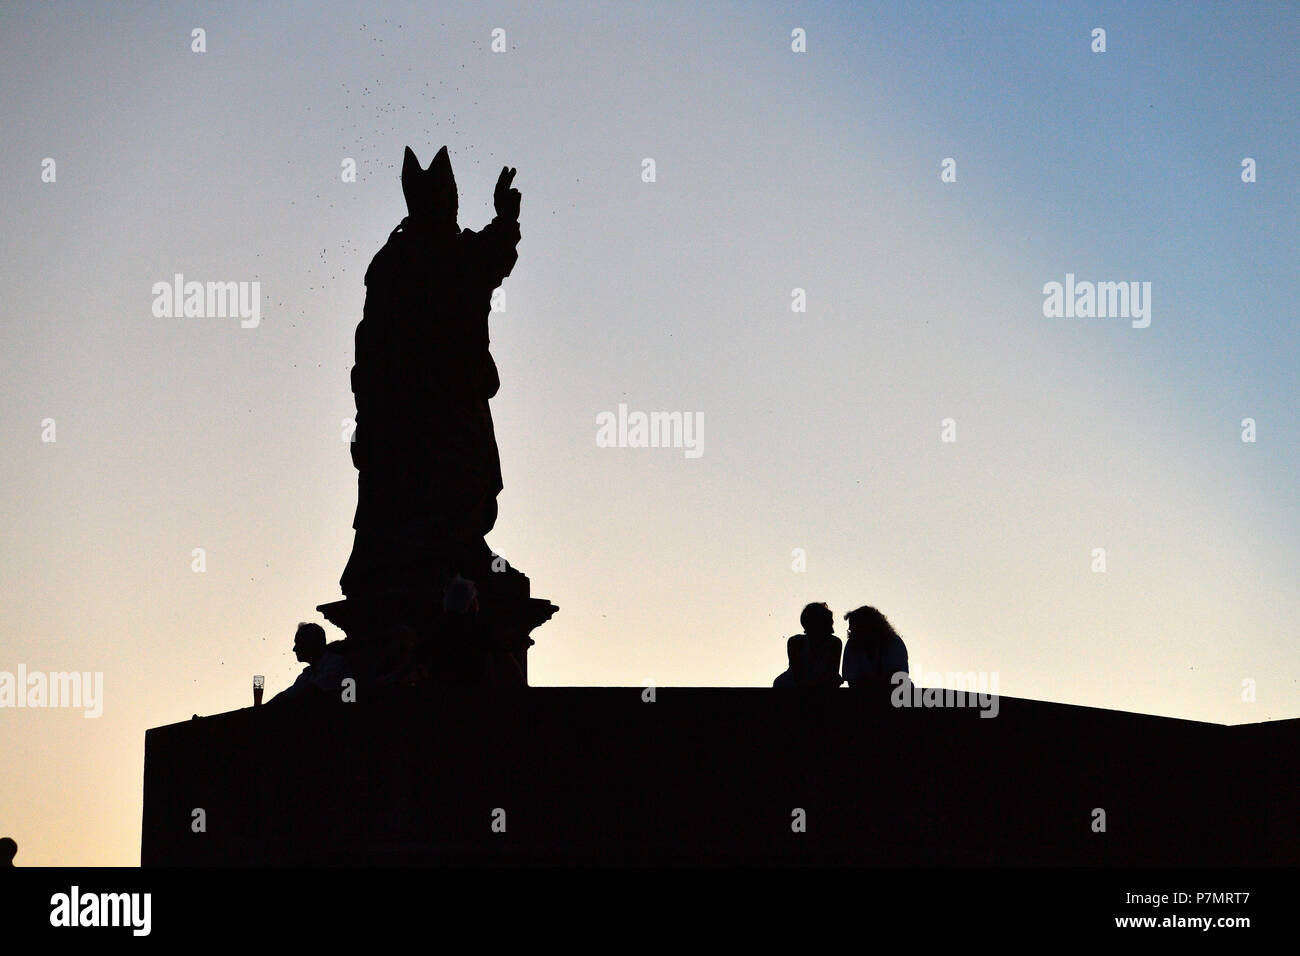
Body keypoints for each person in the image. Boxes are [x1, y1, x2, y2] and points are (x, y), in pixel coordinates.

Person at [268, 622, 352, 704]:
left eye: (298, 643)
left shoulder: (335, 664)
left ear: (311, 643)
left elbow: (312, 691)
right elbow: (287, 695)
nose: (294, 649)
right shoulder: (308, 672)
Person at [773, 603, 844, 688]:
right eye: (828, 625)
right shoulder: (795, 642)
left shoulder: (835, 643)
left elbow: (832, 674)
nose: (832, 631)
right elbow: (798, 675)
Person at [841, 606, 909, 688]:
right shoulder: (852, 645)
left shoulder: (893, 642)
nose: (852, 634)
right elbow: (852, 680)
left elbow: (898, 677)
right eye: (851, 630)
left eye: (855, 629)